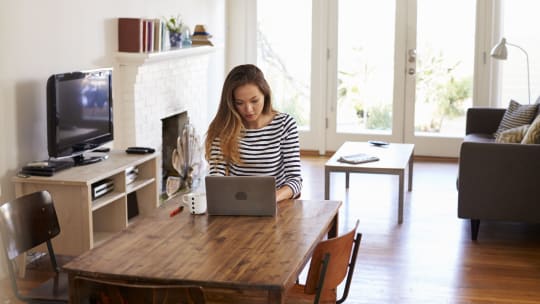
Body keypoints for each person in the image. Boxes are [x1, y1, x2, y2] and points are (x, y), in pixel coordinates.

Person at [205, 64, 302, 202]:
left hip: (276, 205)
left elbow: (295, 180)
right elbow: (217, 178)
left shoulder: (285, 125)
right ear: (231, 103)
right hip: (236, 204)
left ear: (265, 94)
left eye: (254, 101)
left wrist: (271, 198)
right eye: (239, 103)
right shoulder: (223, 128)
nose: (248, 109)